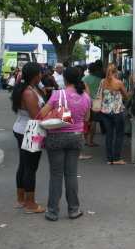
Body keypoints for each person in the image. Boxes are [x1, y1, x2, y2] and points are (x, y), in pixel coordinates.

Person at [38, 67, 91, 221]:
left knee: (56, 175)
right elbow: (87, 118)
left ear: (65, 79)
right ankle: (74, 210)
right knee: (71, 174)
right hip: (76, 137)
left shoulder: (57, 94)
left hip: (56, 138)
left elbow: (42, 114)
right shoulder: (86, 97)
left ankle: (52, 211)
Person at [11, 62, 46, 214]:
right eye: (40, 73)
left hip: (23, 128)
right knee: (31, 167)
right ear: (35, 75)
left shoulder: (29, 88)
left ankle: (21, 199)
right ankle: (30, 204)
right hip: (31, 130)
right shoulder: (29, 92)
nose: (41, 75)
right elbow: (36, 116)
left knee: (24, 165)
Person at [100, 63, 129, 165]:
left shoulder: (102, 82)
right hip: (117, 111)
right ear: (116, 71)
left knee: (109, 135)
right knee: (119, 135)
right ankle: (116, 158)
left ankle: (109, 158)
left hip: (105, 111)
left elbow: (100, 95)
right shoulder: (119, 83)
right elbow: (126, 96)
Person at [82, 62, 103, 148]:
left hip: (86, 101)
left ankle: (85, 140)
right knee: (94, 121)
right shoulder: (100, 79)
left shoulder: (84, 78)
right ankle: (91, 141)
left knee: (86, 121)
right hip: (96, 102)